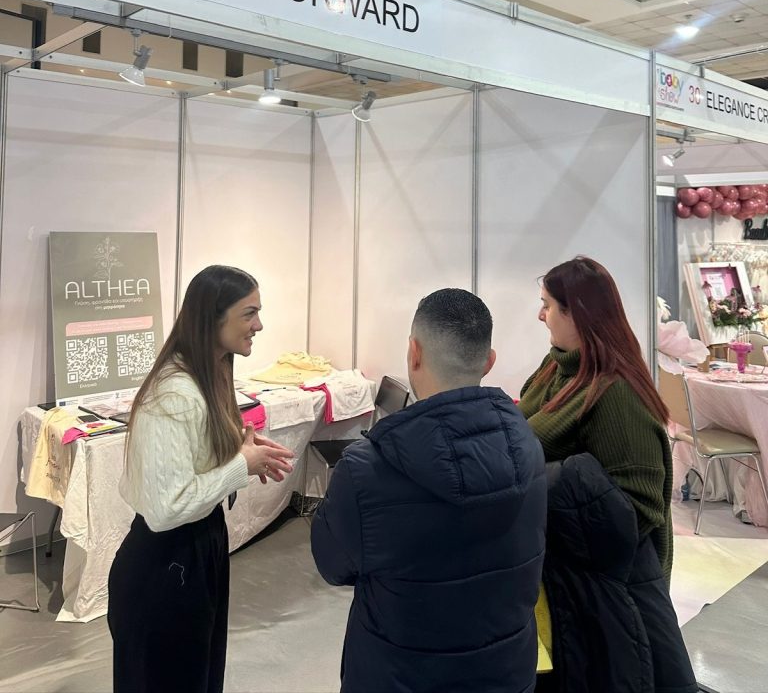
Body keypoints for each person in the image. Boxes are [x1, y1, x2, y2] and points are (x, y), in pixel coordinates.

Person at [311, 288, 547, 693]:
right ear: (489, 362)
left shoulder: (365, 470)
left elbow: (333, 565)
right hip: (506, 673)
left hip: (398, 677)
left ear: (414, 353)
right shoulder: (528, 449)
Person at [108, 265, 294, 693]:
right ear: (213, 318)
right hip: (165, 567)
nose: (259, 325)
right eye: (249, 313)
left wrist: (239, 450)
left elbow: (195, 460)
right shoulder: (175, 394)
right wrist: (239, 466)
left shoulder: (211, 372)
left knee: (199, 676)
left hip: (197, 552)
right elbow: (165, 509)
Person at [519, 256, 697, 693]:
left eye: (547, 306)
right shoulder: (557, 367)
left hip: (606, 594)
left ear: (575, 313)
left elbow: (638, 511)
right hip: (564, 581)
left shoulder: (615, 394)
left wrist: (553, 487)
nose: (540, 315)